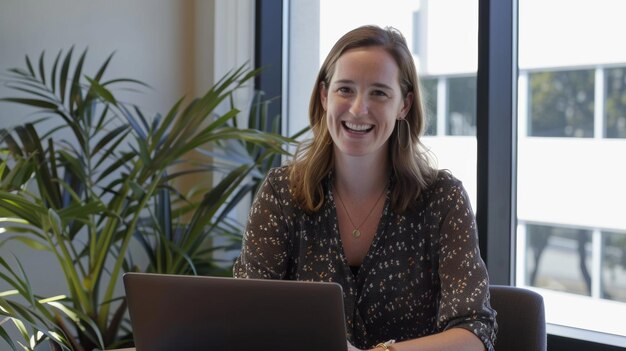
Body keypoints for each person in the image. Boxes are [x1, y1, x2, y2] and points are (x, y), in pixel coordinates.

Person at [233, 25, 497, 351]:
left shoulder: (443, 199)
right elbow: (246, 317)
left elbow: (474, 333)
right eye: (345, 89)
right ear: (323, 96)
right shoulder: (281, 193)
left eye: (379, 93)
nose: (358, 109)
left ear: (404, 105)